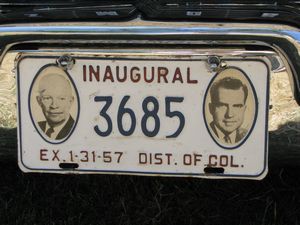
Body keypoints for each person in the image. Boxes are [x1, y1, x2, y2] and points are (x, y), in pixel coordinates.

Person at [209, 71, 248, 145]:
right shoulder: (201, 134)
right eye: (222, 106)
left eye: (237, 106)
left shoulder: (249, 136)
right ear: (211, 109)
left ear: (244, 109)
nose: (229, 114)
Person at [36, 66, 75, 140]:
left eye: (61, 98)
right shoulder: (34, 128)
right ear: (39, 101)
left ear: (71, 101)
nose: (54, 105)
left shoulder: (77, 129)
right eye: (47, 98)